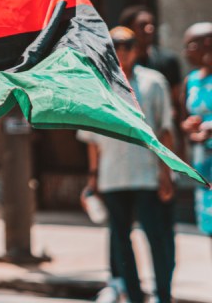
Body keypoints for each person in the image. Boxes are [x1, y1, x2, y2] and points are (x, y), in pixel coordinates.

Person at [79, 26, 175, 303]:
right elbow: (92, 139)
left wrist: (166, 172)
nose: (121, 51)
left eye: (127, 45)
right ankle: (133, 296)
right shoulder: (98, 85)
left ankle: (163, 295)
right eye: (115, 45)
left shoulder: (154, 82)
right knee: (121, 241)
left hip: (147, 173)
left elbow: (165, 129)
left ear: (136, 49)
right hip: (112, 174)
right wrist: (93, 178)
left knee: (156, 238)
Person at [180, 22, 212, 247]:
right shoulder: (191, 80)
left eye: (190, 45)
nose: (185, 52)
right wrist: (189, 127)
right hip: (204, 168)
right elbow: (183, 119)